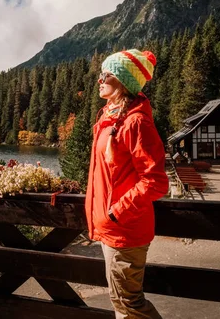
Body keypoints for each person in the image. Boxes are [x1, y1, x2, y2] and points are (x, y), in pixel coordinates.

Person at [85, 49, 168, 319]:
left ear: (121, 81)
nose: (99, 80)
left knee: (129, 306)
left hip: (124, 232)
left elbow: (155, 182)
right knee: (122, 304)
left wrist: (117, 211)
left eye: (105, 75)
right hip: (111, 229)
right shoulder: (111, 118)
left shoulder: (136, 122)